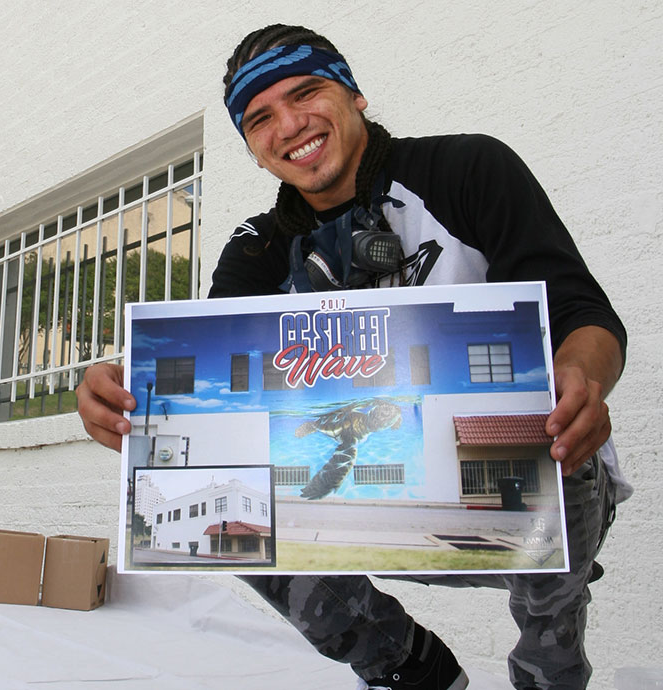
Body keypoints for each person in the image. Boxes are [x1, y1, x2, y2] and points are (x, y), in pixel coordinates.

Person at [77, 24, 629, 690]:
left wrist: (583, 378)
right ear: (253, 149)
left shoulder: (468, 170)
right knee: (209, 488)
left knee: (546, 422)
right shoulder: (254, 251)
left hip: (521, 497)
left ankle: (551, 663)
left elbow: (582, 312)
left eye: (306, 92)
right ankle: (405, 668)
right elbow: (207, 386)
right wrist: (126, 398)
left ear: (354, 94)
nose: (290, 124)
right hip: (356, 503)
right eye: (260, 119)